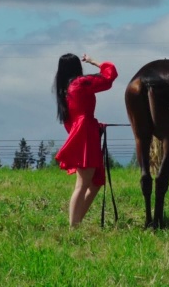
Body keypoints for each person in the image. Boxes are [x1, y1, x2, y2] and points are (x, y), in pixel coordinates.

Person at [52, 52, 118, 227]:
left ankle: (77, 222)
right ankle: (74, 227)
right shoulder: (80, 83)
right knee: (82, 185)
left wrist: (92, 125)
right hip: (86, 136)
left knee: (96, 182)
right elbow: (109, 76)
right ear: (77, 67)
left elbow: (72, 121)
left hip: (84, 133)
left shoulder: (65, 90)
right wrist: (94, 61)